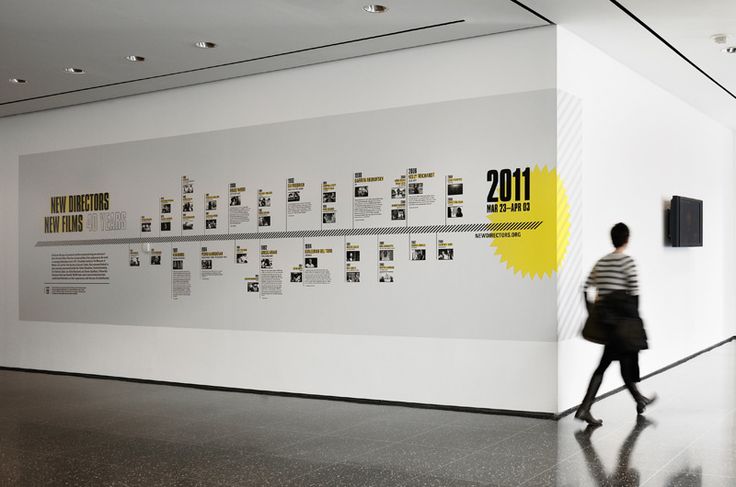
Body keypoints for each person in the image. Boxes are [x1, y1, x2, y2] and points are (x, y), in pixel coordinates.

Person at [576, 223, 656, 426]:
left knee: (619, 363)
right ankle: (585, 408)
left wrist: (592, 311)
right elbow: (635, 296)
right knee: (609, 365)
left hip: (608, 322)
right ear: (627, 239)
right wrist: (635, 324)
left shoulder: (601, 263)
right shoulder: (628, 262)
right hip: (624, 322)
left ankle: (639, 400)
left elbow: (586, 287)